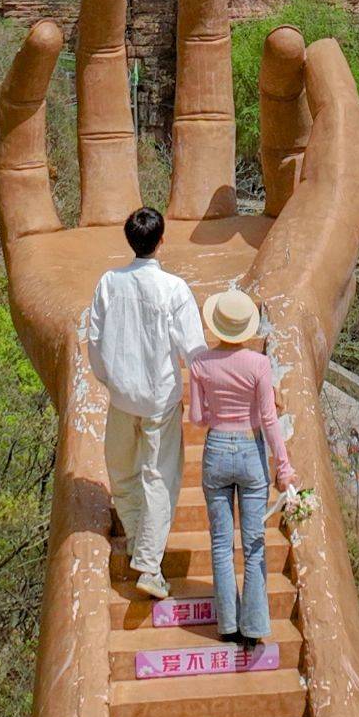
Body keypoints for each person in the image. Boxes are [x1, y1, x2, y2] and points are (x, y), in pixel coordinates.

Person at [85, 205, 207, 599]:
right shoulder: (174, 290)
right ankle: (149, 565)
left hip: (122, 397)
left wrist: (111, 380)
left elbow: (95, 342)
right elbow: (194, 352)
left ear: (130, 240)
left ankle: (139, 540)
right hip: (159, 400)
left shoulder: (108, 282)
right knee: (159, 478)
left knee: (121, 472)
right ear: (161, 240)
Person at [188, 287, 293, 649]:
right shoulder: (259, 365)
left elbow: (198, 418)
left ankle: (228, 624)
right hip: (251, 451)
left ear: (216, 326)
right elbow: (268, 419)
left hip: (216, 448)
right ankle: (253, 627)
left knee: (220, 543)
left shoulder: (200, 363)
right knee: (254, 544)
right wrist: (285, 466)